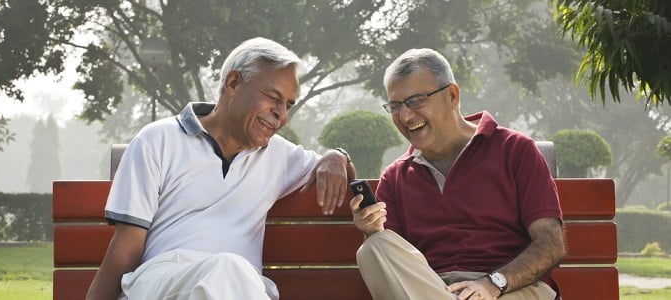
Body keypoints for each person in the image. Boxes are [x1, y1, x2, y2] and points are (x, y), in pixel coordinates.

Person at [86, 37, 355, 300]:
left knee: (233, 274)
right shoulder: (157, 140)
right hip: (162, 283)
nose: (281, 114)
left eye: (288, 105)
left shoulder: (279, 155)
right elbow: (125, 249)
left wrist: (337, 155)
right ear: (233, 83)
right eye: (273, 98)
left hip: (239, 287)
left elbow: (332, 167)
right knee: (229, 269)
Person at [349, 48, 566, 300]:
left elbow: (551, 244)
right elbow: (398, 268)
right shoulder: (396, 177)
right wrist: (371, 230)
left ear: (452, 95)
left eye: (416, 100)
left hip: (511, 288)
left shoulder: (515, 149)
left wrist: (493, 284)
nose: (405, 116)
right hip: (434, 291)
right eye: (396, 105)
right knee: (374, 247)